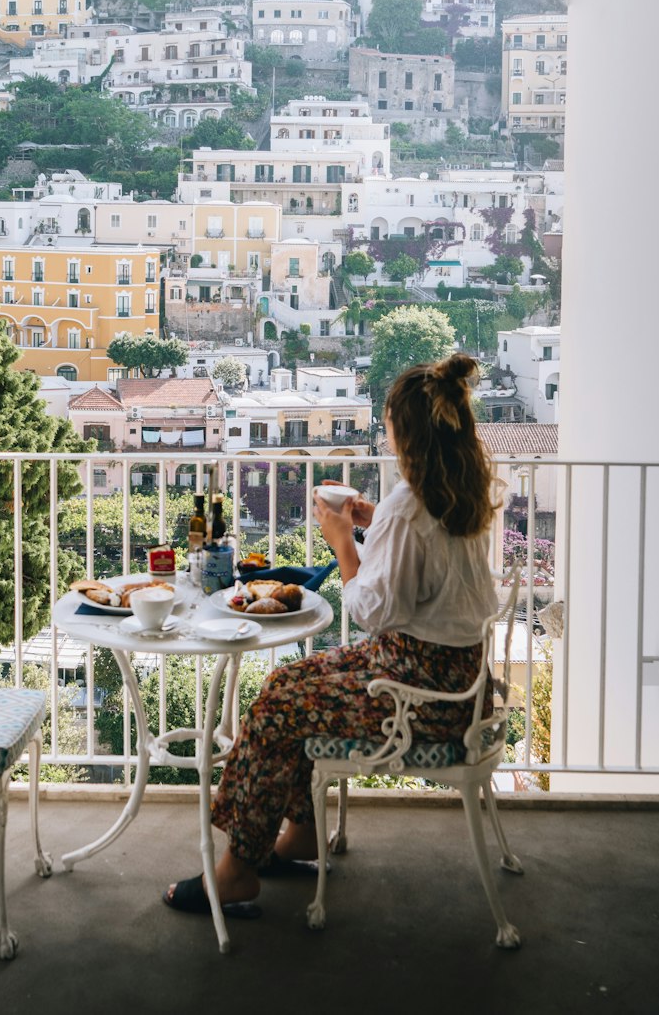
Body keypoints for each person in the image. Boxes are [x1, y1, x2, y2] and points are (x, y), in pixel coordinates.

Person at [164, 352, 499, 918]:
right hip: (459, 680)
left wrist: (342, 540)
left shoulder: (409, 507)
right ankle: (296, 837)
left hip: (416, 698)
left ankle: (236, 870)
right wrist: (371, 523)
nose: (383, 431)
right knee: (292, 680)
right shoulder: (455, 491)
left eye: (388, 422)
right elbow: (411, 579)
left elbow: (373, 609)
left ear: (403, 431)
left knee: (277, 703)